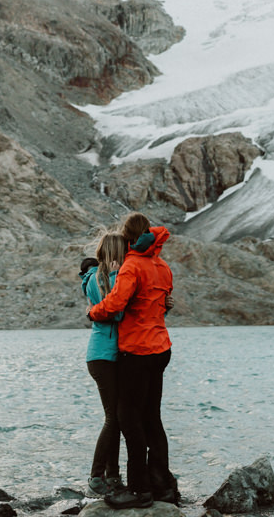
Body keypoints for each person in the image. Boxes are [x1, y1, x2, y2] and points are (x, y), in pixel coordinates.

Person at [86, 213, 177, 509]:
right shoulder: (162, 266)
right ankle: (162, 483)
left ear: (128, 239)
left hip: (137, 351)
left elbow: (115, 304)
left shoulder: (132, 266)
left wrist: (93, 313)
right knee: (152, 417)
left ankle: (138, 489)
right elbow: (164, 302)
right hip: (161, 348)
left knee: (128, 419)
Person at [79, 231, 128, 496]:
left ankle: (112, 476)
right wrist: (116, 276)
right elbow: (115, 311)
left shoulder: (106, 277)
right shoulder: (98, 279)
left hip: (109, 355)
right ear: (114, 253)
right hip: (102, 356)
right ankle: (96, 477)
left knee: (117, 417)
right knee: (113, 418)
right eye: (123, 251)